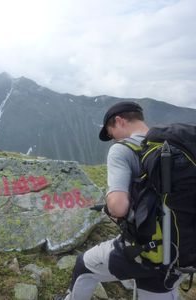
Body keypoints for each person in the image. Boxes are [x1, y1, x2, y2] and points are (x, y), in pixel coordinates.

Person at [64, 101, 183, 300]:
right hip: (184, 252)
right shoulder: (175, 146)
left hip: (148, 251)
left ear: (119, 121)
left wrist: (110, 203)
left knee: (83, 265)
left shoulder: (123, 149)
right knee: (158, 284)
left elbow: (119, 207)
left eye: (111, 134)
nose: (112, 140)